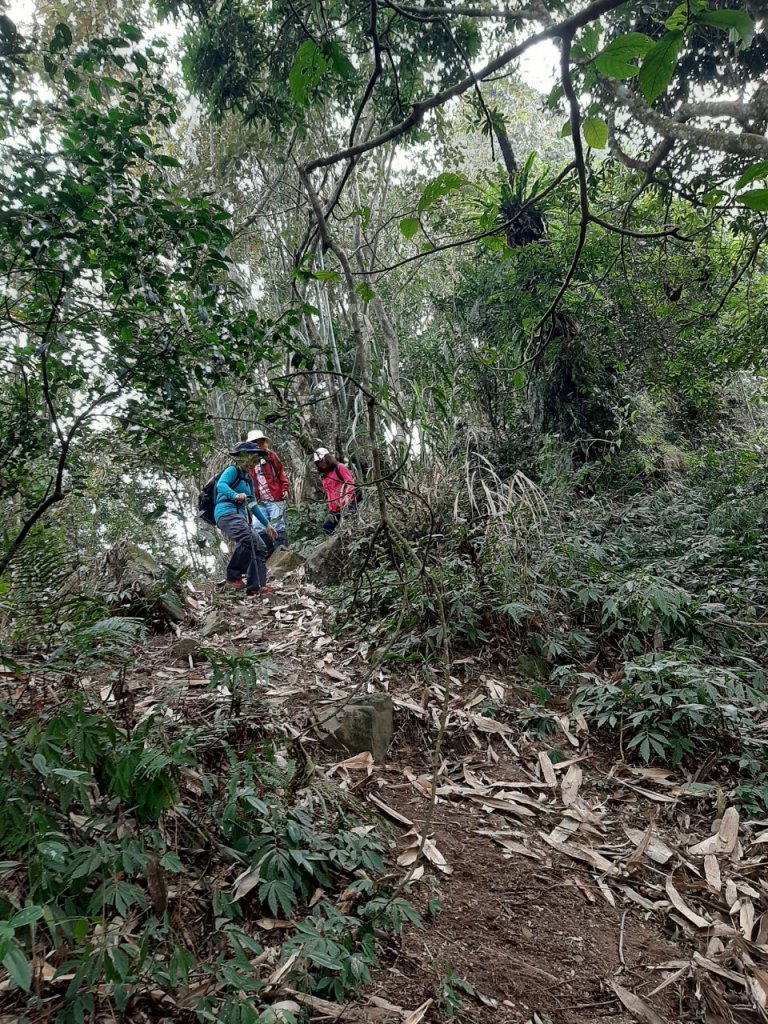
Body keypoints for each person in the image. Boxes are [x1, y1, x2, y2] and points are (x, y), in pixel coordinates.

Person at [214, 442, 278, 596]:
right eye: (254, 457)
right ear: (243, 457)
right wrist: (234, 495)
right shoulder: (232, 470)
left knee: (251, 543)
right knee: (257, 545)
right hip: (226, 514)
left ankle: (238, 579)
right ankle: (253, 585)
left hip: (240, 517)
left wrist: (267, 524)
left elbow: (253, 503)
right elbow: (221, 485)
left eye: (257, 459)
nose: (256, 461)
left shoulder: (247, 479)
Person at [246, 427, 289, 552]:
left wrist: (284, 488)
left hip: (274, 497)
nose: (257, 445)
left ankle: (282, 553)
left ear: (263, 442)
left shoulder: (271, 456)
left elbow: (280, 472)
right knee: (258, 527)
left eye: (259, 441)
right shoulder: (248, 460)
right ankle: (269, 555)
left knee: (278, 525)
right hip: (257, 500)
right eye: (254, 442)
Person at [314, 447, 357, 535]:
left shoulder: (339, 467)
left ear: (327, 458)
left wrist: (347, 500)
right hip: (334, 509)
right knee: (327, 527)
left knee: (350, 527)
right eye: (318, 462)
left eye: (322, 460)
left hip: (347, 504)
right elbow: (329, 492)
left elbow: (350, 483)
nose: (321, 464)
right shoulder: (324, 476)